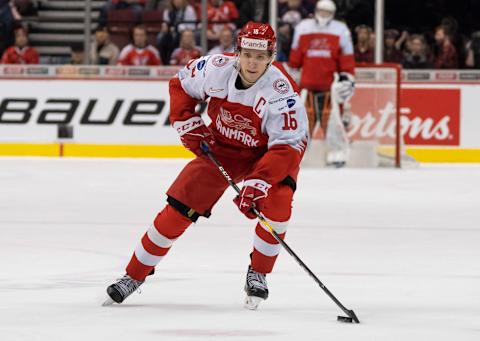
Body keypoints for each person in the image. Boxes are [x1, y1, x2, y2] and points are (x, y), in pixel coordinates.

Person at [104, 21, 309, 310]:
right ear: (237, 51)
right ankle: (134, 275)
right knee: (177, 210)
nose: (253, 63)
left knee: (278, 206)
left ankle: (259, 273)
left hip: (269, 154)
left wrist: (259, 181)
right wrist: (185, 120)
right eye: (248, 54)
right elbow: (180, 84)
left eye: (261, 57)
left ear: (271, 58)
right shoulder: (215, 68)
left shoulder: (282, 92)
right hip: (222, 149)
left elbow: (288, 146)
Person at [288, 0, 355, 167]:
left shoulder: (340, 30)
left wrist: (347, 78)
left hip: (329, 87)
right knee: (302, 124)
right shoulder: (303, 27)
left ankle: (337, 153)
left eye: (327, 12)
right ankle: (296, 155)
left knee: (333, 123)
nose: (323, 14)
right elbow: (295, 59)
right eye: (321, 11)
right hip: (306, 86)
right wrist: (292, 79)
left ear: (332, 14)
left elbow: (346, 59)